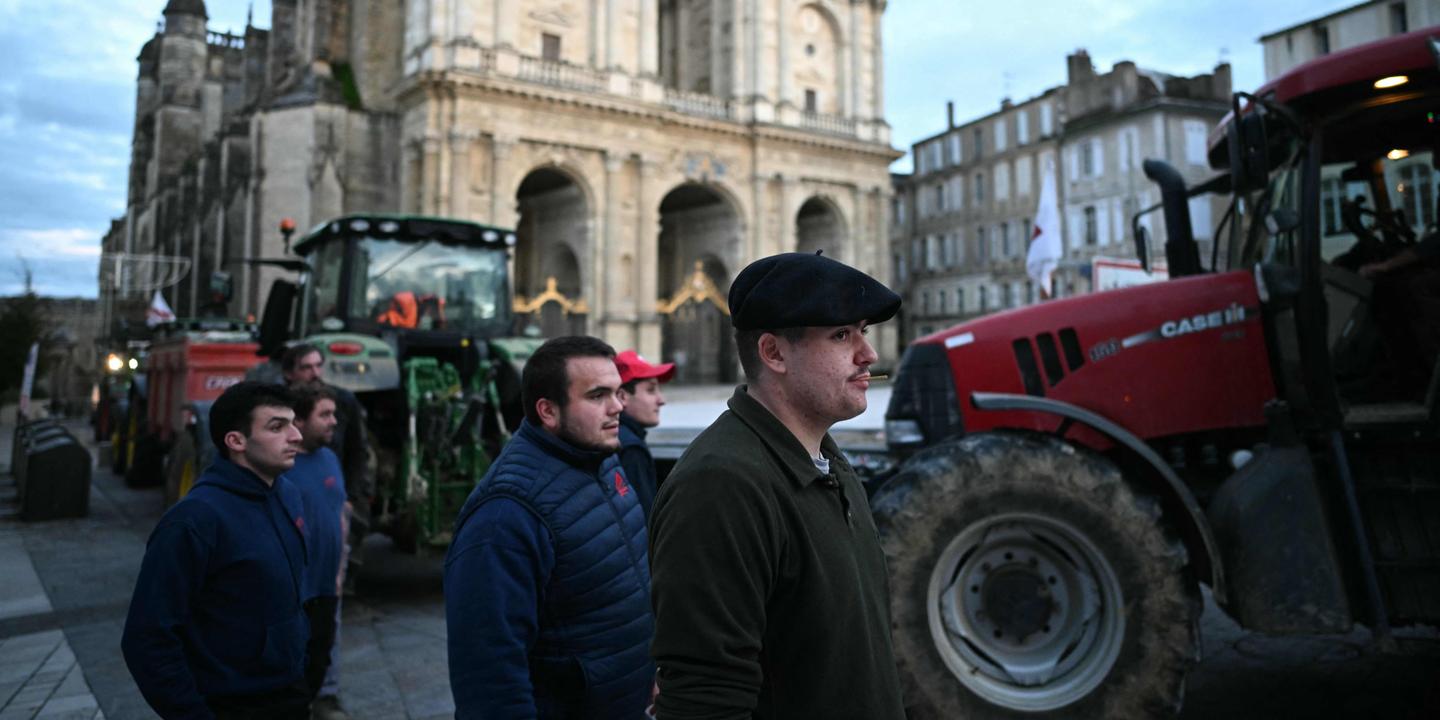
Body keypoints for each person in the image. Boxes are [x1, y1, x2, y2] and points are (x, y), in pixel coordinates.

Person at [648, 252, 907, 719]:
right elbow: (705, 698)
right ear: (773, 353)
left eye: (863, 333)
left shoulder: (827, 460)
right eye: (841, 335)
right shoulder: (722, 485)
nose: (868, 354)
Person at [444, 336, 654, 719]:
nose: (617, 407)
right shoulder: (505, 514)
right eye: (597, 396)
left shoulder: (602, 459)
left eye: (619, 392)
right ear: (548, 411)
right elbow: (489, 674)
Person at [122, 382, 312, 719]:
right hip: (230, 704)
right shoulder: (194, 520)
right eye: (277, 426)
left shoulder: (288, 495)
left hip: (289, 694)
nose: (296, 435)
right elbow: (147, 638)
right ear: (236, 441)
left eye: (293, 422)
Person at [281, 344, 371, 588]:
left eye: (319, 366)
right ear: (289, 373)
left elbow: (357, 451)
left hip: (332, 491)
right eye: (307, 367)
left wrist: (351, 496)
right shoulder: (275, 405)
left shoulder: (342, 402)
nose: (315, 373)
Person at [288, 385, 350, 720]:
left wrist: (339, 574)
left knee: (318, 662)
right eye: (324, 415)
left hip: (326, 590)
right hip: (296, 593)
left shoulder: (329, 459)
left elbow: (339, 513)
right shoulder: (283, 463)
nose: (333, 422)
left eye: (334, 414)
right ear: (299, 419)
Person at [613, 349, 675, 520]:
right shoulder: (631, 449)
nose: (661, 400)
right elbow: (645, 519)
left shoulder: (617, 438)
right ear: (622, 396)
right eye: (650, 390)